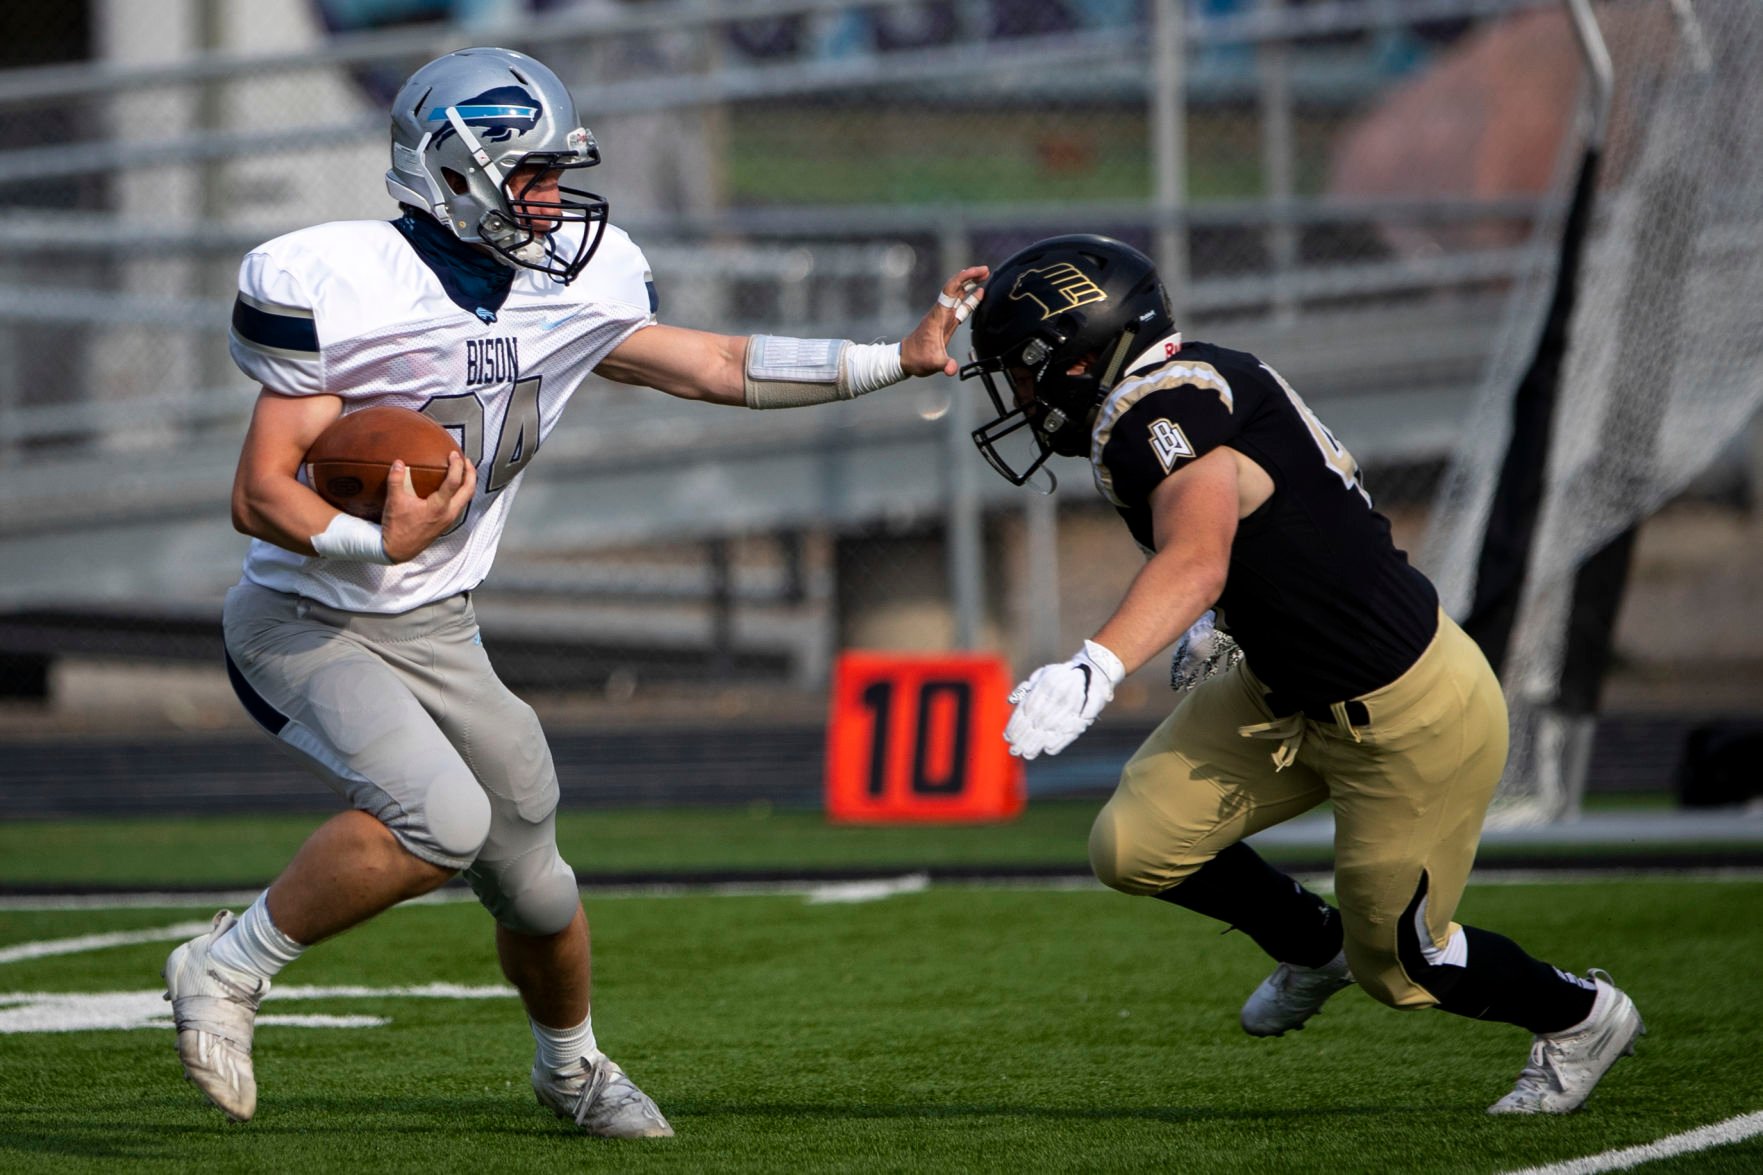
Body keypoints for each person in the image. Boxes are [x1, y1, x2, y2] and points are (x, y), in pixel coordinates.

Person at [164, 45, 986, 1138]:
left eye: (557, 170)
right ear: (452, 171)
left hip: (438, 624)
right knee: (438, 818)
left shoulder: (574, 279)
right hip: (307, 619)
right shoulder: (338, 282)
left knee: (539, 886)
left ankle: (573, 1070)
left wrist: (892, 355)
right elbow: (258, 491)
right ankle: (225, 964)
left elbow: (717, 364)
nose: (553, 197)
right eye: (531, 173)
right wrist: (373, 535)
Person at [960, 234, 1642, 1115]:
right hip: (1281, 690)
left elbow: (1198, 554)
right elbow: (1272, 514)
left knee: (1402, 966)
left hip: (1406, 711)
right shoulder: (1190, 378)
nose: (1018, 394)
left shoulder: (1150, 417)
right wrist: (1223, 619)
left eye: (1022, 370)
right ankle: (1307, 943)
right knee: (1132, 845)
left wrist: (1096, 666)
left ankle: (1579, 1015)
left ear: (1083, 352)